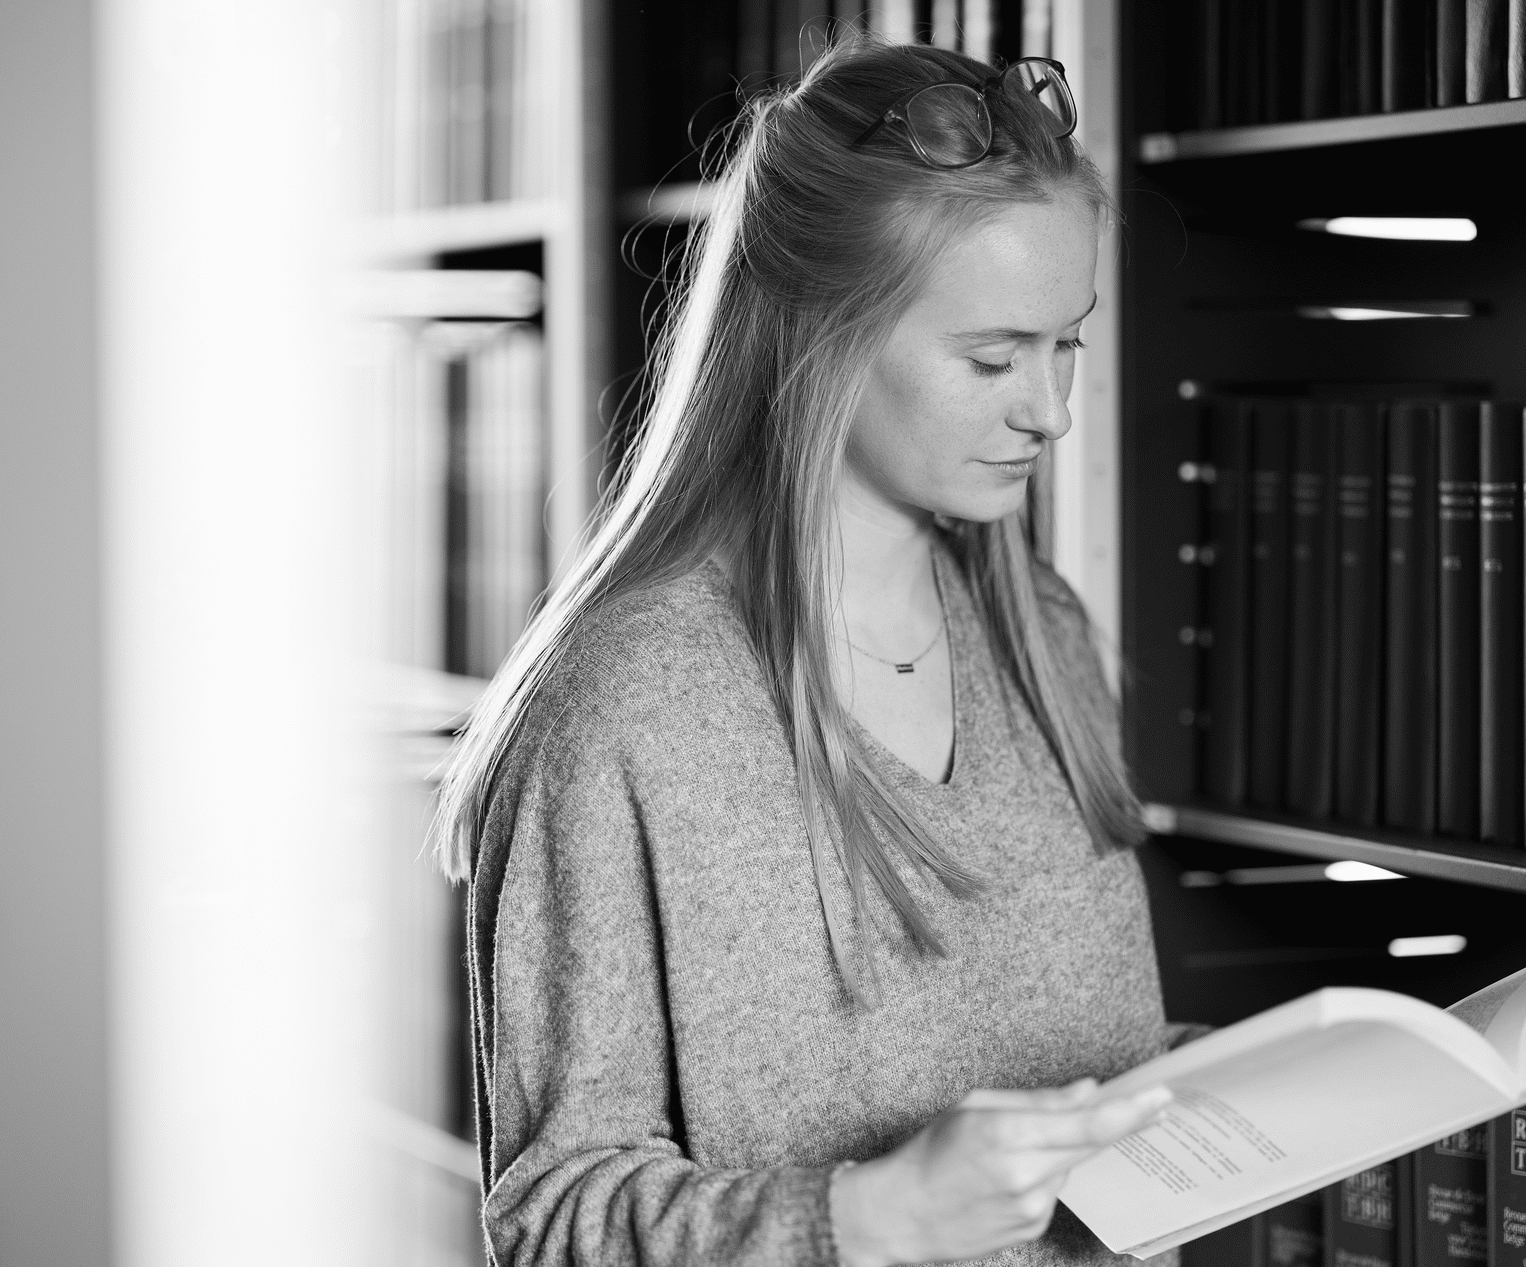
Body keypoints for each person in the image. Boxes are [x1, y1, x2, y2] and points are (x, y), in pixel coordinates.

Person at [432, 33, 1201, 1266]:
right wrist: (870, 1217)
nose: (1050, 410)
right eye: (993, 356)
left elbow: (1078, 1063)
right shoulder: (625, 709)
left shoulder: (1042, 633)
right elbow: (551, 1215)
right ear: (819, 336)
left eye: (1067, 344)